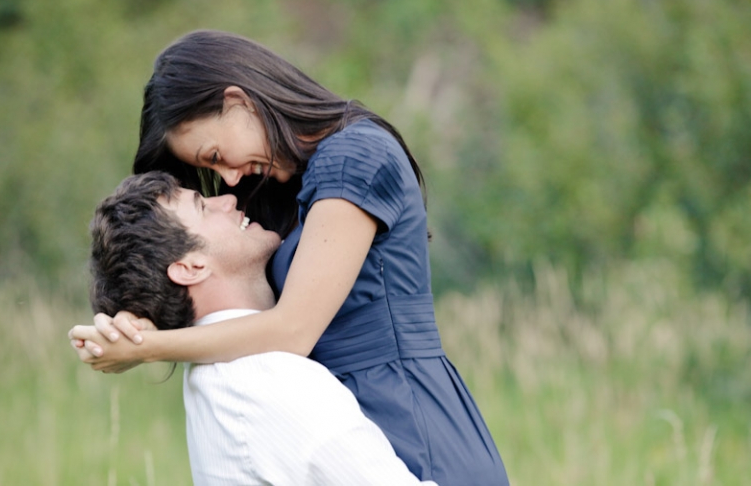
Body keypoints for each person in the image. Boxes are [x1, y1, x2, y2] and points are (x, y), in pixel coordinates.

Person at [70, 29, 509, 485]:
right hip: (334, 430)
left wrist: (149, 348)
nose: (229, 180)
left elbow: (293, 329)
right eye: (210, 169)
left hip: (408, 424)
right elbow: (205, 273)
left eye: (216, 155)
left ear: (239, 102)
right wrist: (141, 319)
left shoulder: (355, 156)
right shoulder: (280, 185)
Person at [86, 171, 437, 485]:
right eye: (203, 207)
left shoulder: (217, 376)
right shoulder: (267, 381)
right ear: (190, 268)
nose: (227, 200)